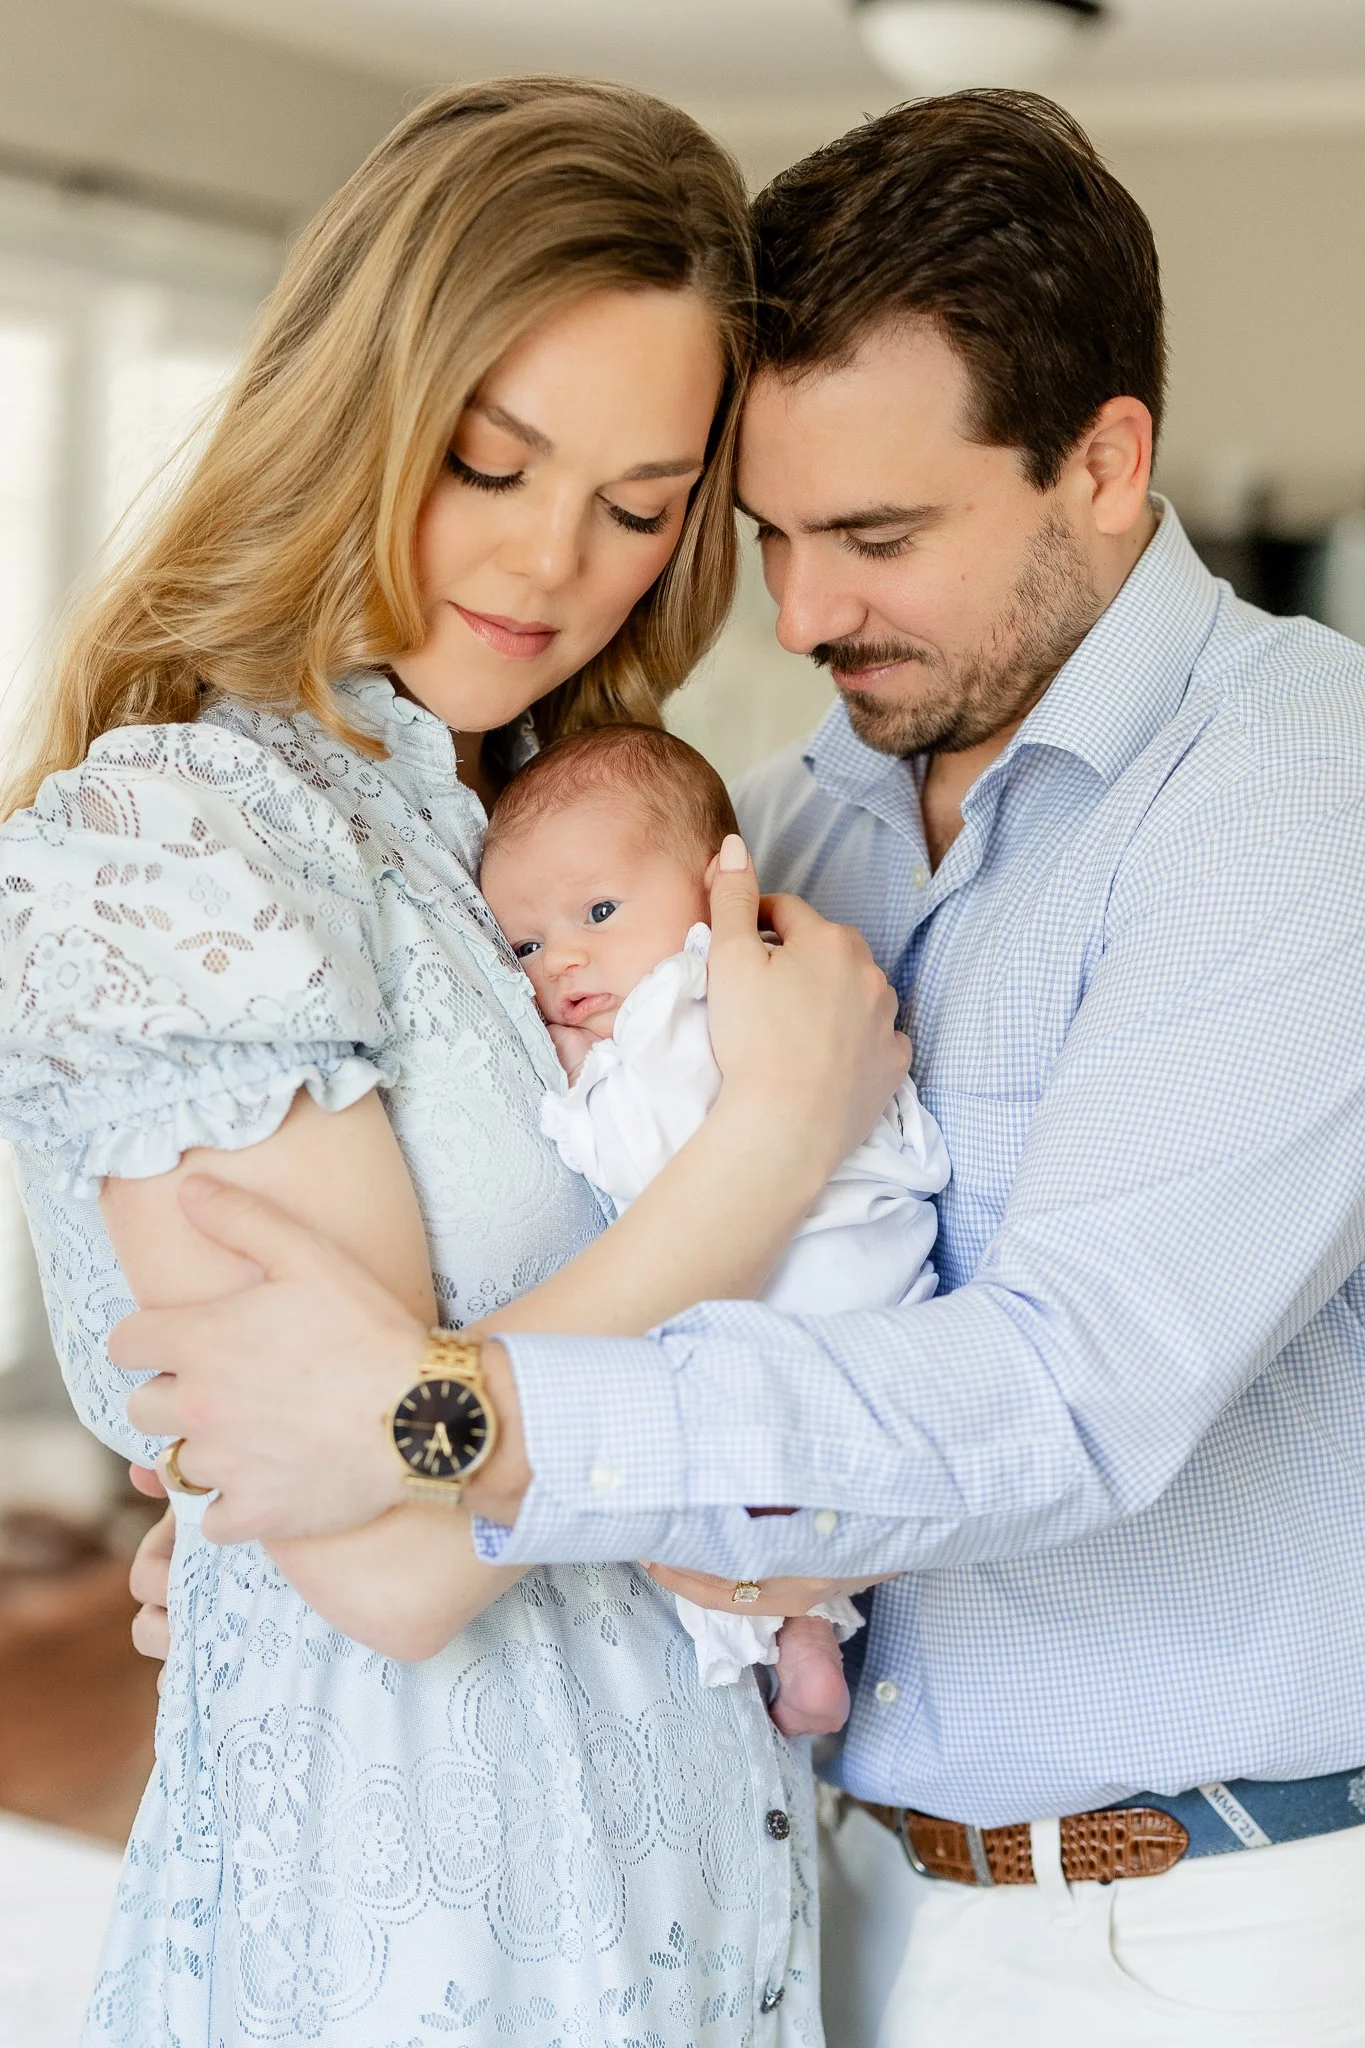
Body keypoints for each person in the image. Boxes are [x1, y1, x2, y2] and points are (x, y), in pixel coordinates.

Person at [110, 88, 1365, 2046]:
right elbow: (623, 1263)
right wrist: (277, 1532)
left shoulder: (1298, 790)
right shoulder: (763, 832)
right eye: (765, 533)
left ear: (1106, 465)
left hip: (1192, 1937)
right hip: (809, 1890)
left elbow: (1064, 1392)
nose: (797, 614)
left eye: (876, 536)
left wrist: (442, 1427)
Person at [0, 77, 911, 2046]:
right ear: (361, 406)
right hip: (419, 1950)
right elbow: (398, 1570)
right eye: (491, 463)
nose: (552, 563)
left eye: (638, 507)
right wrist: (767, 1144)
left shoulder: (563, 840)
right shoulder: (180, 842)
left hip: (710, 1895)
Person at [479, 721, 950, 1734]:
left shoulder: (683, 1001)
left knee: (700, 1453)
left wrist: (572, 1087)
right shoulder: (773, 976)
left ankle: (788, 1642)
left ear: (714, 886)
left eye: (598, 911)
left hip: (813, 1281)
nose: (562, 959)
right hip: (875, 1287)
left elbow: (646, 1160)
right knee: (775, 1473)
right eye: (525, 945)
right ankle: (807, 1641)